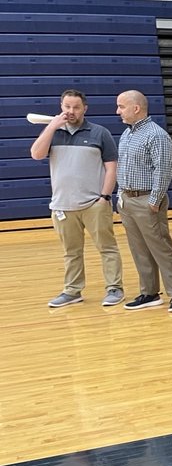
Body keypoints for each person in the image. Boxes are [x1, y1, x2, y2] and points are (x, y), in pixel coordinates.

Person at [30, 89, 124, 308]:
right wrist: (52, 126)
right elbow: (36, 154)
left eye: (76, 107)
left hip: (94, 204)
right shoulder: (53, 132)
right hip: (63, 206)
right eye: (67, 107)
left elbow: (112, 167)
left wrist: (104, 196)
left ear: (85, 108)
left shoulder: (100, 133)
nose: (71, 111)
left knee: (107, 248)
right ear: (61, 107)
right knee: (71, 252)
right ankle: (72, 291)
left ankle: (114, 289)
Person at [115, 89, 172, 312]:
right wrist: (120, 196)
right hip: (127, 200)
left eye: (121, 106)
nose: (117, 111)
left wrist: (155, 200)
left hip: (147, 199)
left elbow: (163, 170)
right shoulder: (127, 134)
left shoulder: (156, 135)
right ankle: (149, 292)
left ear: (136, 108)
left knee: (160, 247)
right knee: (139, 249)